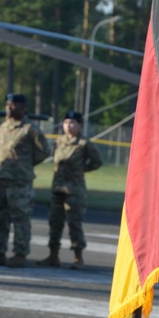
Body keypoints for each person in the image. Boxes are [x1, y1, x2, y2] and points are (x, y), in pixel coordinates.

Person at [0, 92, 50, 268]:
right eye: (7, 105)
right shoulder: (3, 127)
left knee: (20, 218)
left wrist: (26, 164)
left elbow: (45, 151)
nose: (9, 108)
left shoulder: (29, 129)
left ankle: (20, 253)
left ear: (23, 108)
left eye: (14, 105)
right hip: (2, 178)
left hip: (19, 181)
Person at [37, 110, 102, 270]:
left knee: (74, 224)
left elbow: (97, 162)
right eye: (66, 122)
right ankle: (53, 255)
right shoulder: (59, 141)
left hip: (74, 191)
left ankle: (77, 257)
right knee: (55, 222)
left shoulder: (84, 143)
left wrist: (80, 171)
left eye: (73, 123)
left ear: (80, 125)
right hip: (58, 188)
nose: (69, 126)